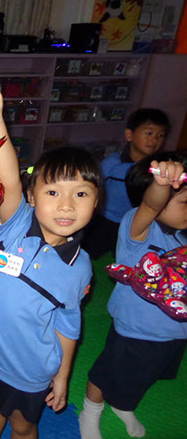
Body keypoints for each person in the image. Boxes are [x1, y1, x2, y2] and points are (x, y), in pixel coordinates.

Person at [0, 78, 102, 439]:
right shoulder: (16, 223)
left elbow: (68, 323)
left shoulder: (79, 266)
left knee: (24, 426)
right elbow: (7, 174)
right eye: (53, 192)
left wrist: (63, 375)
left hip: (30, 372)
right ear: (32, 197)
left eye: (81, 194)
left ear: (96, 202)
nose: (66, 205)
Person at [78, 152, 187, 439]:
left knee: (142, 376)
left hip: (174, 334)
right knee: (107, 372)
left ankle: (123, 404)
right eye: (185, 202)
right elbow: (152, 204)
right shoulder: (139, 228)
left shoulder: (183, 235)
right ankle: (90, 411)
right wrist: (162, 183)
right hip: (135, 329)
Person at [84, 108, 169, 259]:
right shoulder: (112, 162)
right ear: (130, 135)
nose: (154, 140)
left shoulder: (158, 169)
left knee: (127, 256)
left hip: (136, 222)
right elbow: (95, 187)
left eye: (160, 135)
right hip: (106, 218)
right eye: (149, 133)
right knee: (91, 252)